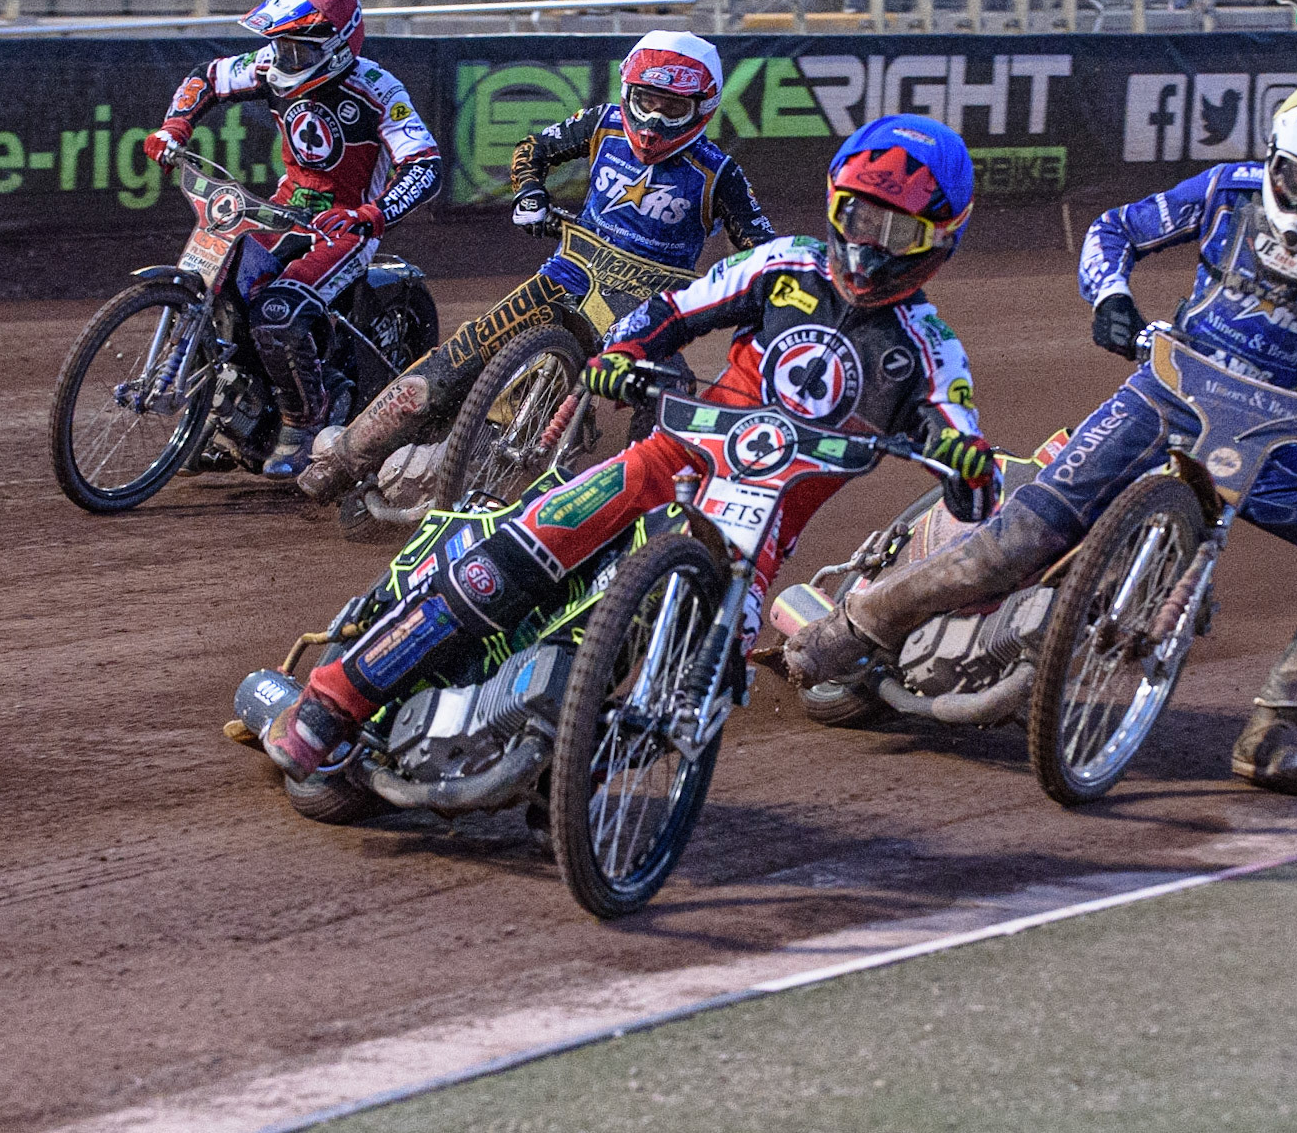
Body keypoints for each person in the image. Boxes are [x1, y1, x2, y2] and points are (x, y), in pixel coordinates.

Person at [789, 77, 1297, 799]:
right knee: (1015, 540)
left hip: (1265, 437)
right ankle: (850, 630)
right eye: (1294, 174)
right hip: (1161, 396)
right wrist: (1111, 297)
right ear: (1272, 158)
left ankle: (1279, 728)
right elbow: (1114, 229)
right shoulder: (1225, 190)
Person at [265, 115, 999, 782]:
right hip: (672, 456)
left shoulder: (929, 351)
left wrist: (967, 469)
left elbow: (966, 459)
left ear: (939, 241)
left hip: (757, 527)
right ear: (837, 206)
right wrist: (624, 350)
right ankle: (330, 704)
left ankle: (583, 773)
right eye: (861, 216)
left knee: (708, 669)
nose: (871, 245)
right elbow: (672, 310)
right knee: (518, 548)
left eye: (898, 232)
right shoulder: (785, 263)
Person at [297, 31, 775, 509]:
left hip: (649, 307)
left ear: (703, 108)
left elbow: (765, 252)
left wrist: (752, 291)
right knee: (461, 353)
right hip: (567, 273)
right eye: (645, 101)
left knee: (667, 390)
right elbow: (533, 149)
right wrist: (530, 193)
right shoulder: (603, 124)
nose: (651, 122)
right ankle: (343, 456)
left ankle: (632, 508)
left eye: (671, 110)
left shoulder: (719, 173)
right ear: (626, 92)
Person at [143, 0, 442, 478]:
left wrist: (371, 214)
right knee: (219, 284)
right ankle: (211, 414)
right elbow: (207, 77)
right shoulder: (270, 65)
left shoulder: (376, 89)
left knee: (277, 311)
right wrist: (175, 125)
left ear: (337, 46)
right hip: (285, 205)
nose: (283, 61)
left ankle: (303, 421)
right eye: (278, 47)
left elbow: (425, 165)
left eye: (296, 51)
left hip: (345, 225)